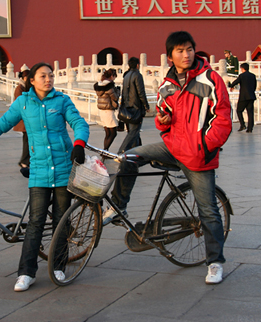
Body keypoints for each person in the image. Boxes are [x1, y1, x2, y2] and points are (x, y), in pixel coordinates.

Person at [102, 31, 232, 285]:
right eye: (180, 51)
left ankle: (215, 262)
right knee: (128, 157)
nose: (186, 54)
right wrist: (164, 122)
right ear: (170, 56)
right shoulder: (167, 85)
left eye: (189, 49)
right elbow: (165, 113)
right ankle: (118, 207)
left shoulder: (211, 79)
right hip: (173, 147)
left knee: (208, 211)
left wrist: (204, 146)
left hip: (198, 155)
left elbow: (223, 119)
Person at [0, 62, 89, 292]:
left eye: (51, 75)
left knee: (63, 221)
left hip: (63, 170)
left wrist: (79, 143)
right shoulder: (23, 102)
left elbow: (78, 122)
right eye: (43, 76)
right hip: (39, 172)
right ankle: (26, 273)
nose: (48, 79)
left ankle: (59, 266)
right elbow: (1, 125)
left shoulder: (62, 100)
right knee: (35, 223)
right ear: (31, 80)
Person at [118, 57, 150, 153]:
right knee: (133, 132)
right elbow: (141, 92)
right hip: (135, 107)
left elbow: (123, 92)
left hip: (127, 107)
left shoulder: (126, 75)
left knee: (133, 131)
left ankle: (138, 152)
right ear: (137, 65)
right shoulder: (137, 75)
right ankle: (122, 151)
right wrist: (146, 106)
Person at [94, 68, 120, 151]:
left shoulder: (100, 85)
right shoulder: (109, 86)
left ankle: (105, 151)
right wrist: (118, 91)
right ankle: (105, 151)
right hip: (108, 111)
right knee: (113, 133)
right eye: (115, 76)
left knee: (108, 133)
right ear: (112, 76)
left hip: (102, 111)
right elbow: (115, 97)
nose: (115, 78)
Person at [228, 63, 257, 133]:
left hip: (244, 97)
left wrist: (231, 86)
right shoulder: (253, 76)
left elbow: (236, 81)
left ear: (242, 68)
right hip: (251, 96)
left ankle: (243, 124)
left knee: (239, 110)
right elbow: (255, 86)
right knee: (250, 113)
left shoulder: (242, 76)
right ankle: (250, 128)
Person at [13, 68, 31, 176]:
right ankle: (24, 161)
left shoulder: (28, 87)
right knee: (27, 141)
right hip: (25, 119)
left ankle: (25, 161)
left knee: (28, 141)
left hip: (30, 119)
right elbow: (21, 103)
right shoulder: (19, 89)